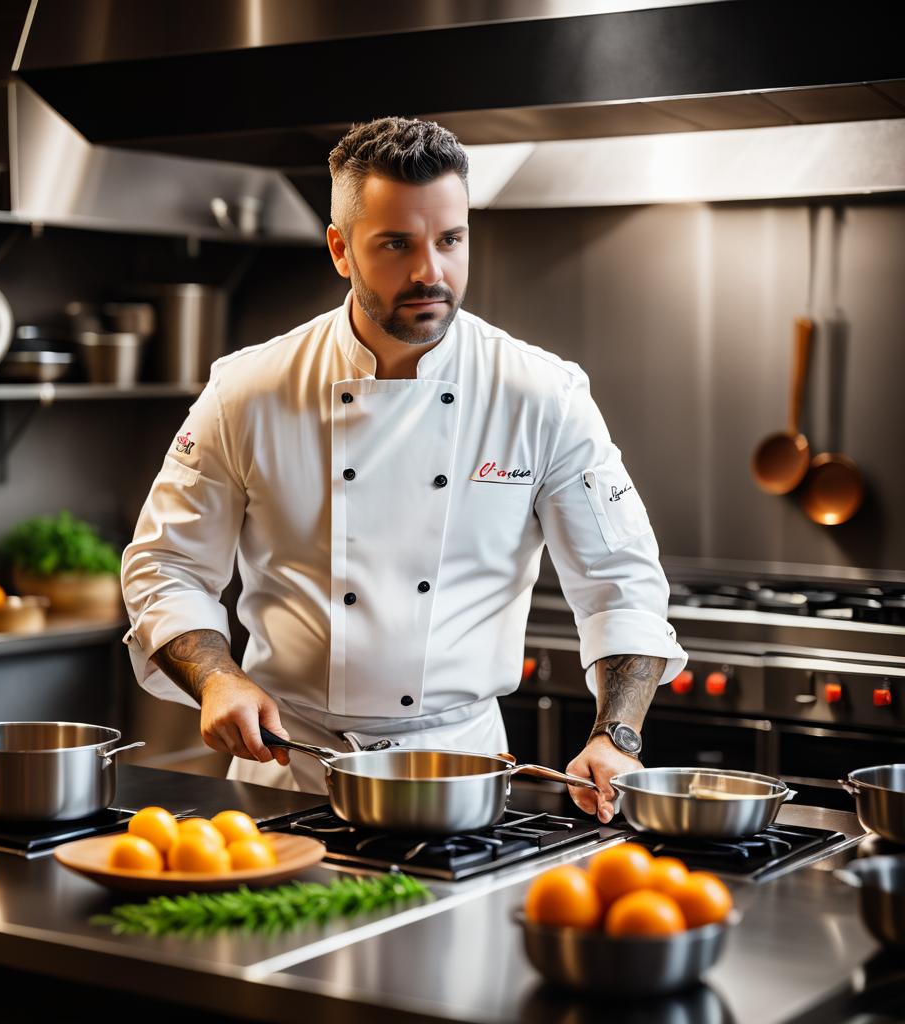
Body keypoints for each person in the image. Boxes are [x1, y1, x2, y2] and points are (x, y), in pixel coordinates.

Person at [121, 116, 687, 822]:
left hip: (461, 777)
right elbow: (166, 566)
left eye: (451, 241)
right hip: (287, 770)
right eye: (396, 244)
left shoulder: (541, 394)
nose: (431, 272)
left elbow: (620, 584)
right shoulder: (249, 390)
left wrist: (617, 735)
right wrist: (218, 682)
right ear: (340, 249)